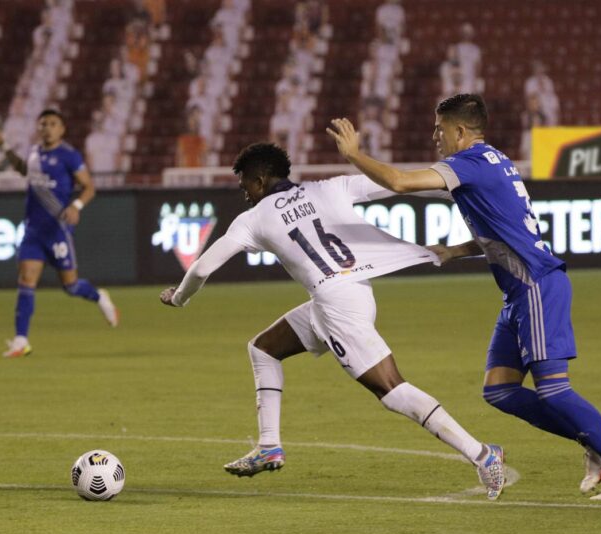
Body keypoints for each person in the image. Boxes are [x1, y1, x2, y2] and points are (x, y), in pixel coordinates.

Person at [326, 94, 601, 500]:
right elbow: (505, 228)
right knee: (500, 391)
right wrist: (456, 250)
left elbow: (400, 182)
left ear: (460, 131)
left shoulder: (469, 164)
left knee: (553, 390)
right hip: (518, 292)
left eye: (440, 128)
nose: (435, 135)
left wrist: (355, 154)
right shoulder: (496, 161)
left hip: (535, 284)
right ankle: (596, 442)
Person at [160, 142, 507, 500]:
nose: (244, 192)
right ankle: (268, 446)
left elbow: (201, 267)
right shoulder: (331, 187)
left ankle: (482, 453)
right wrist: (462, 197)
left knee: (391, 389)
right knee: (263, 349)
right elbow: (398, 183)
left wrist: (179, 297)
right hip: (352, 292)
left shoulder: (253, 219)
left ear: (261, 180)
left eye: (245, 184)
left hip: (336, 304)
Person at [0, 109, 119, 358]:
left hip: (57, 231)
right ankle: (21, 340)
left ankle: (99, 296)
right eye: (43, 123)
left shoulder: (69, 156)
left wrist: (76, 206)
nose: (47, 127)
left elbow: (89, 187)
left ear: (62, 129)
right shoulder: (35, 152)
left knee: (70, 286)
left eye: (53, 123)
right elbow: (23, 169)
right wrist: (2, 143)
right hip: (33, 231)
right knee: (26, 280)